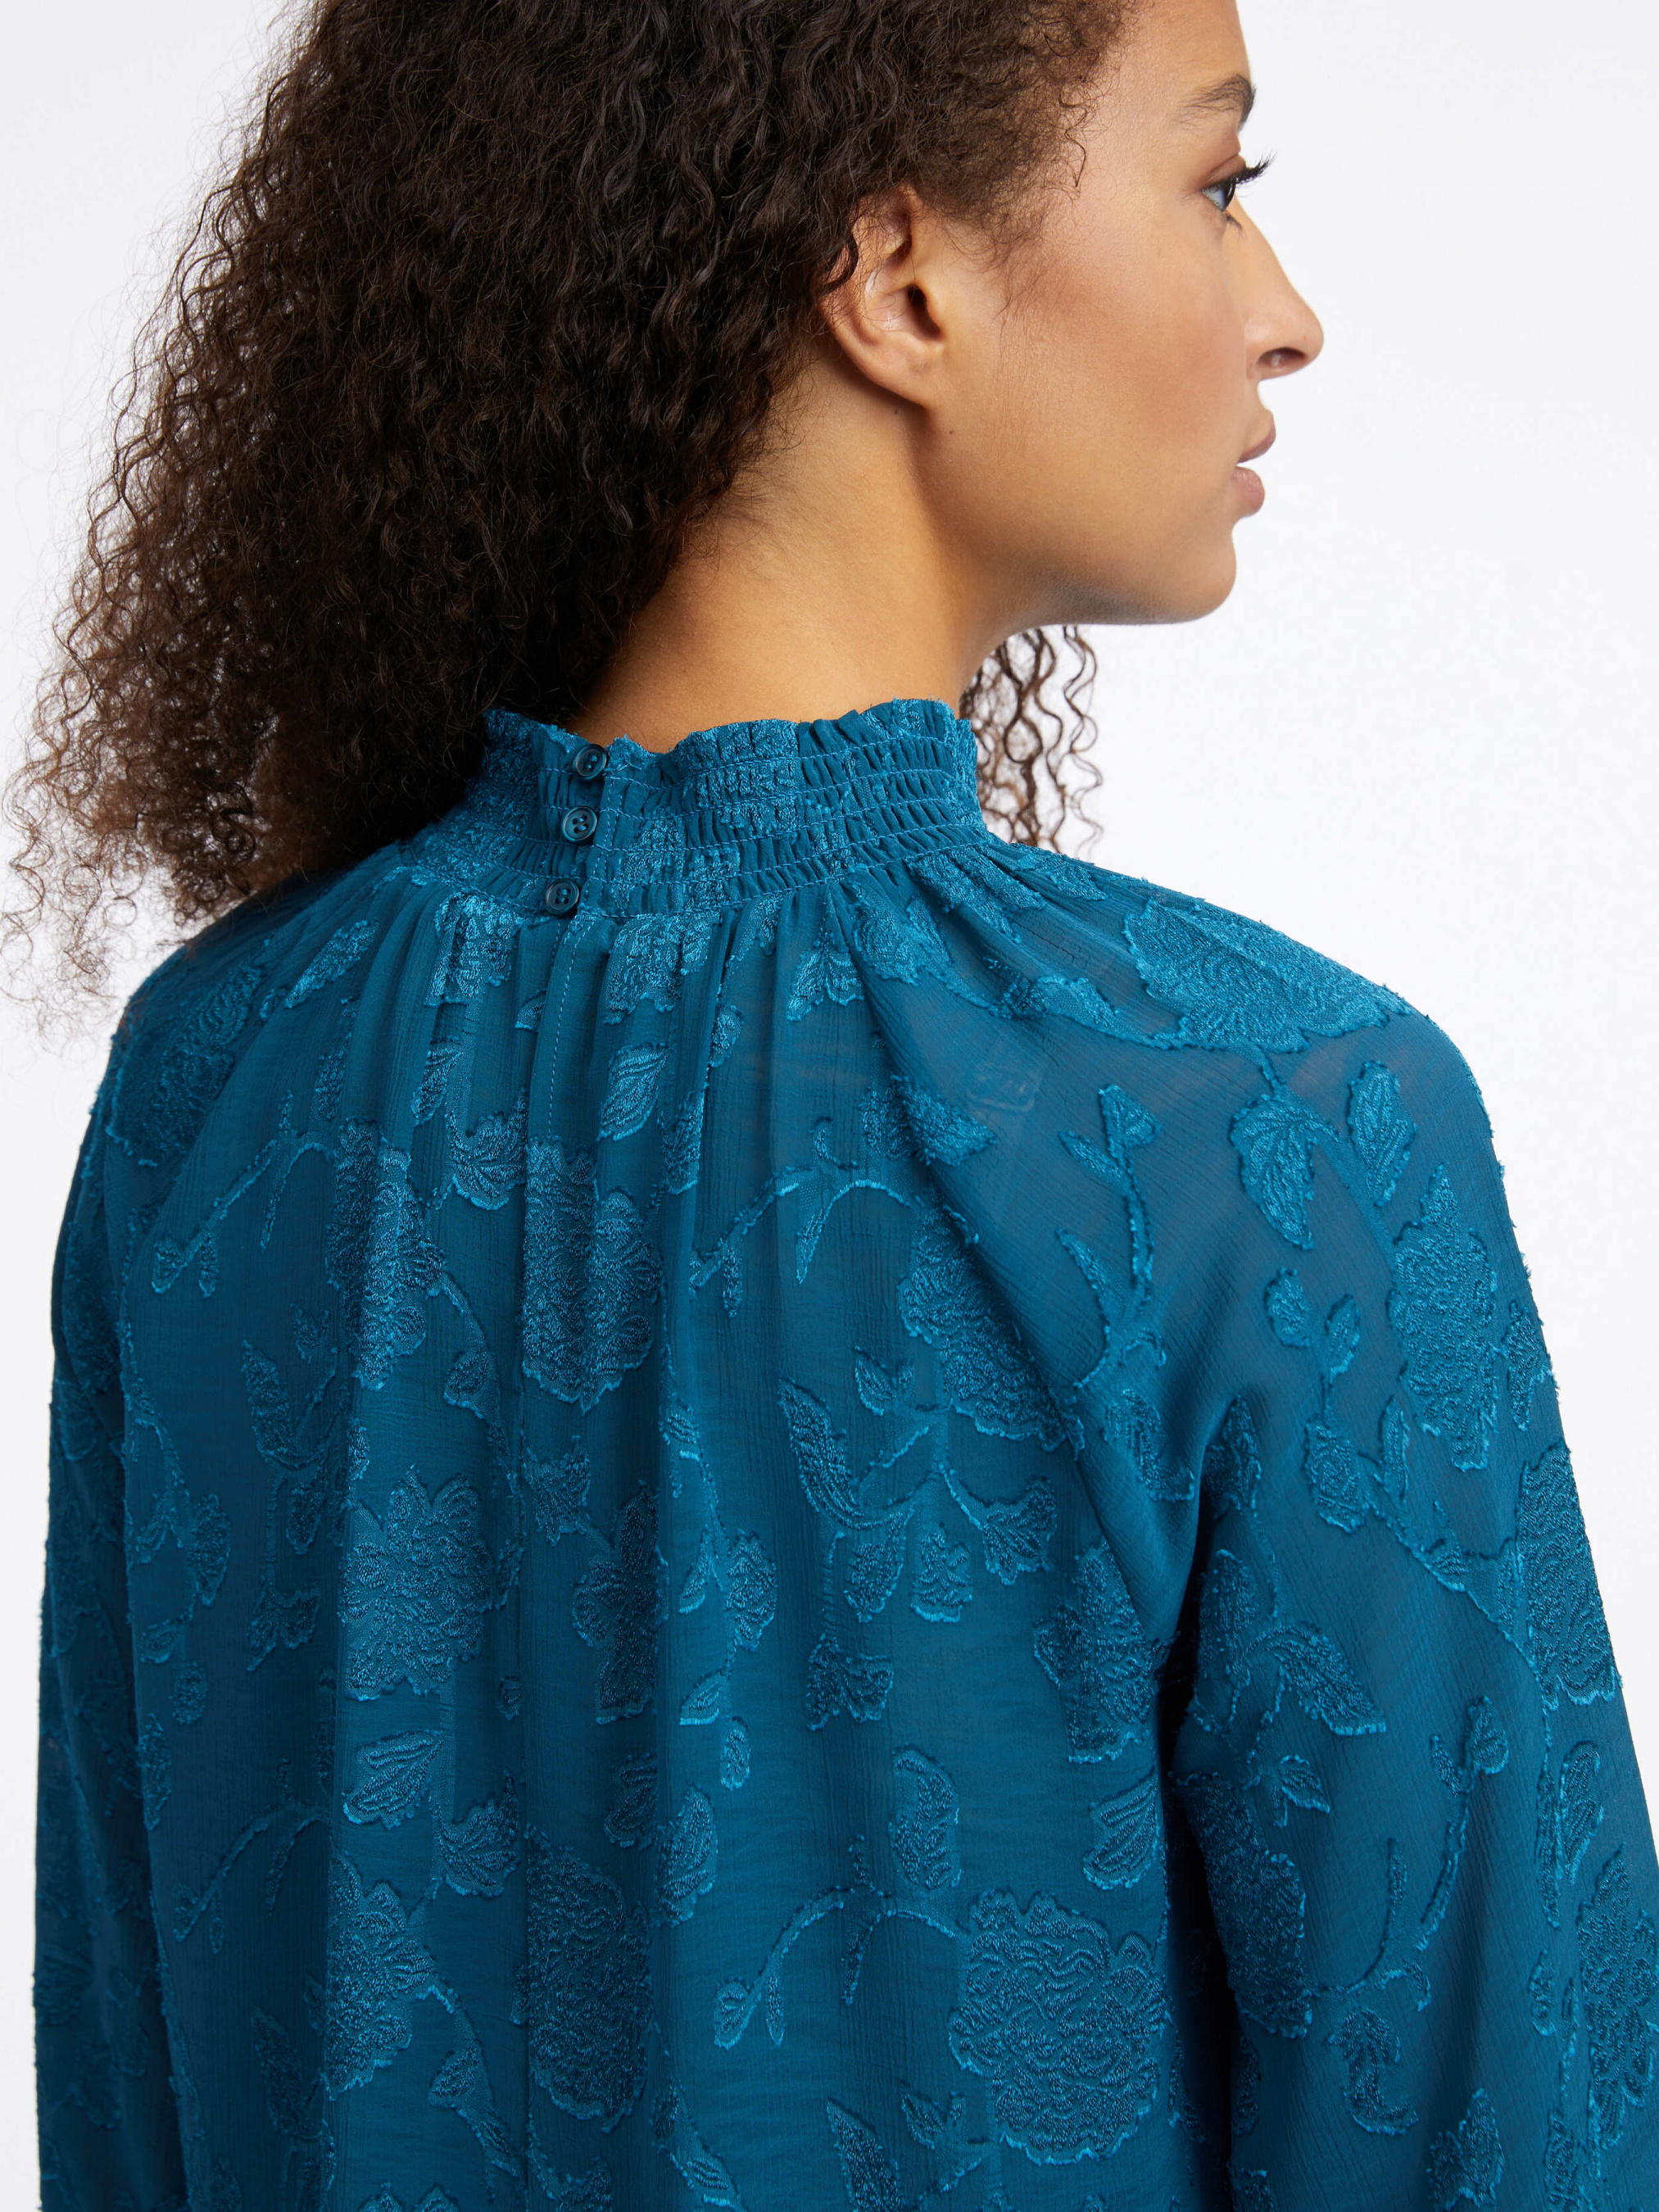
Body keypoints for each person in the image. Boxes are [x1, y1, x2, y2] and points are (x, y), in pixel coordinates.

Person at [13, 0, 1659, 2201]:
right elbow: (1509, 2135)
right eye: (1218, 181)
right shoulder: (1273, 1134)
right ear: (898, 282)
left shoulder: (218, 1079)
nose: (1286, 313)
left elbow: (128, 2087)